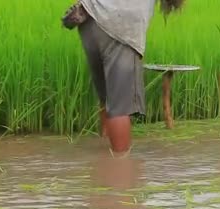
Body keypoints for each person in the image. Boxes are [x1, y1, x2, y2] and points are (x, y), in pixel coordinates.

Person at [62, 0, 185, 157]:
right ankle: (121, 164)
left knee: (107, 98)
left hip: (90, 20)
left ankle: (105, 161)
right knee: (120, 106)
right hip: (122, 27)